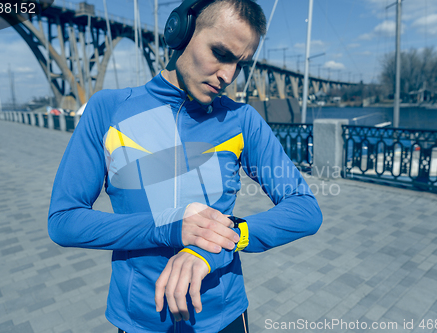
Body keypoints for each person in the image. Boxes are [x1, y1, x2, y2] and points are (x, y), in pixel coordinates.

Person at [48, 0, 323, 332]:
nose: (228, 76)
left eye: (240, 64)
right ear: (180, 32)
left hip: (223, 317)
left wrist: (224, 239)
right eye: (220, 53)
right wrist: (166, 227)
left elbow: (305, 209)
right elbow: (64, 220)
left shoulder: (243, 120)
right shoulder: (107, 110)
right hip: (140, 320)